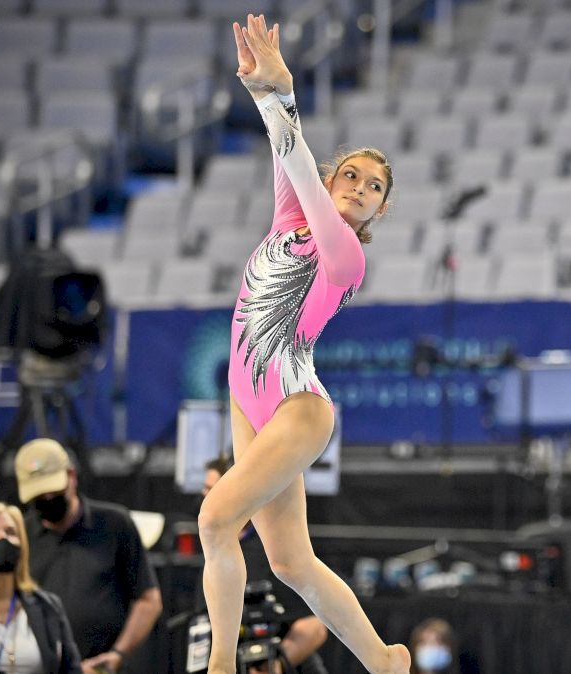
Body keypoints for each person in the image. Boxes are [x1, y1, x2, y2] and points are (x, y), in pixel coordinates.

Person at [198, 14, 408, 674]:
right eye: (352, 175)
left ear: (378, 213)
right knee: (291, 562)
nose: (360, 188)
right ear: (334, 177)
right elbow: (282, 152)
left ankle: (221, 666)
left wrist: (280, 91)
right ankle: (384, 661)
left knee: (213, 522)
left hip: (298, 407)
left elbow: (297, 161)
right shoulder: (292, 217)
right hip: (245, 394)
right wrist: (270, 94)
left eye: (373, 188)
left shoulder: (346, 255)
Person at [14, 438, 163, 674]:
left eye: (54, 493)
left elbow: (148, 599)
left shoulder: (115, 524)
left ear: (71, 476)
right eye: (39, 497)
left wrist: (117, 654)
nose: (47, 501)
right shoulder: (20, 536)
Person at [200, 456, 329, 674]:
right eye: (205, 489)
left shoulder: (270, 546)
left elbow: (315, 626)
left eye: (212, 490)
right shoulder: (212, 546)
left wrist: (276, 664)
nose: (205, 497)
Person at [0, 501, 82, 673]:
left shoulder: (48, 606)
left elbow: (71, 669)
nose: (2, 538)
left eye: (10, 532)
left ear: (22, 547)